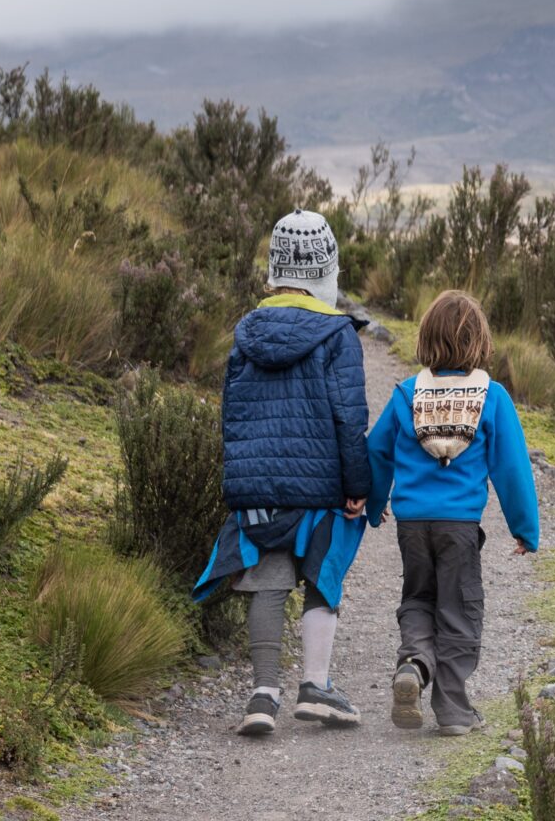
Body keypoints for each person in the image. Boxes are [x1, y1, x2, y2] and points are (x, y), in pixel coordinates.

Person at [193, 209, 372, 736]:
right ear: (327, 270)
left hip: (259, 491)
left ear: (275, 267)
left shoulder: (245, 334)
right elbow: (349, 418)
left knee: (267, 583)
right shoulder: (338, 336)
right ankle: (315, 686)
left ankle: (262, 695)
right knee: (321, 578)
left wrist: (243, 478)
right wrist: (357, 486)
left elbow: (232, 414)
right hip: (319, 491)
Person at [365, 290, 542, 735]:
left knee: (419, 598)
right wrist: (525, 528)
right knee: (460, 610)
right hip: (460, 529)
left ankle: (414, 664)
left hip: (411, 526)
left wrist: (372, 503)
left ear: (426, 339)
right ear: (479, 342)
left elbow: (376, 452)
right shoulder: (492, 397)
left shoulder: (408, 394)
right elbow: (512, 468)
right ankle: (453, 710)